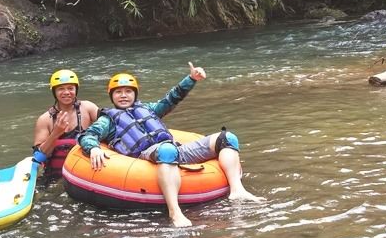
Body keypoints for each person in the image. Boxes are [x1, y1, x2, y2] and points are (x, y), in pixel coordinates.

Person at [79, 62, 263, 227]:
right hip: (146, 154)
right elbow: (87, 136)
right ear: (112, 96)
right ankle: (175, 212)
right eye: (118, 92)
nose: (124, 95)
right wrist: (93, 147)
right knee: (167, 150)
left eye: (128, 91)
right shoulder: (108, 120)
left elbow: (171, 99)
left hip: (175, 148)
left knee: (227, 138)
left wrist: (191, 79)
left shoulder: (148, 109)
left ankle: (237, 190)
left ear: (135, 94)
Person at [33, 69, 99, 183]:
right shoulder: (45, 119)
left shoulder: (88, 108)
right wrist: (55, 133)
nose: (66, 92)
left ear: (76, 90)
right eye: (61, 89)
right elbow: (38, 157)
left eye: (70, 88)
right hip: (54, 177)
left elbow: (108, 126)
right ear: (54, 92)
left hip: (84, 175)